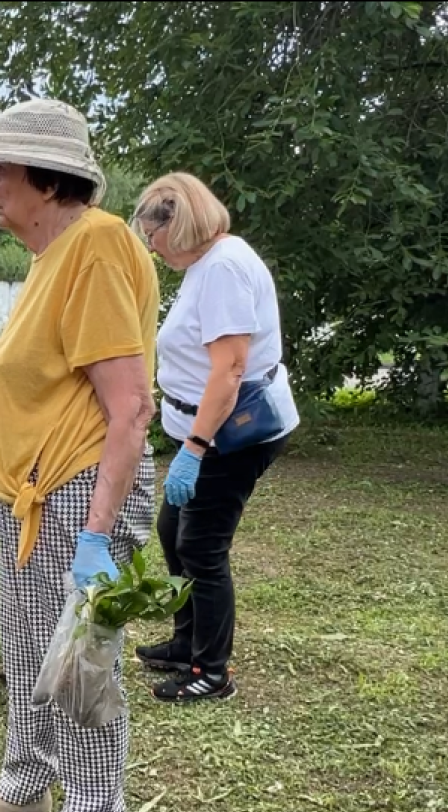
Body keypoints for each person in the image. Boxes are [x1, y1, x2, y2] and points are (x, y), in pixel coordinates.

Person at [0, 99, 161, 812]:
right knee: (30, 652)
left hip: (80, 493)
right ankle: (27, 783)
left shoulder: (97, 245)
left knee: (76, 667)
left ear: (47, 176)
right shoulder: (51, 258)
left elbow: (129, 406)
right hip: (37, 493)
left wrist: (98, 535)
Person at [130, 173, 298, 702]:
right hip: (204, 430)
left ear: (177, 225)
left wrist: (195, 451)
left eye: (153, 237)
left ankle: (211, 671)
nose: (152, 249)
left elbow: (229, 370)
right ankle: (187, 642)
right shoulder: (207, 263)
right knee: (172, 528)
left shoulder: (224, 266)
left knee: (201, 546)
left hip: (232, 433)